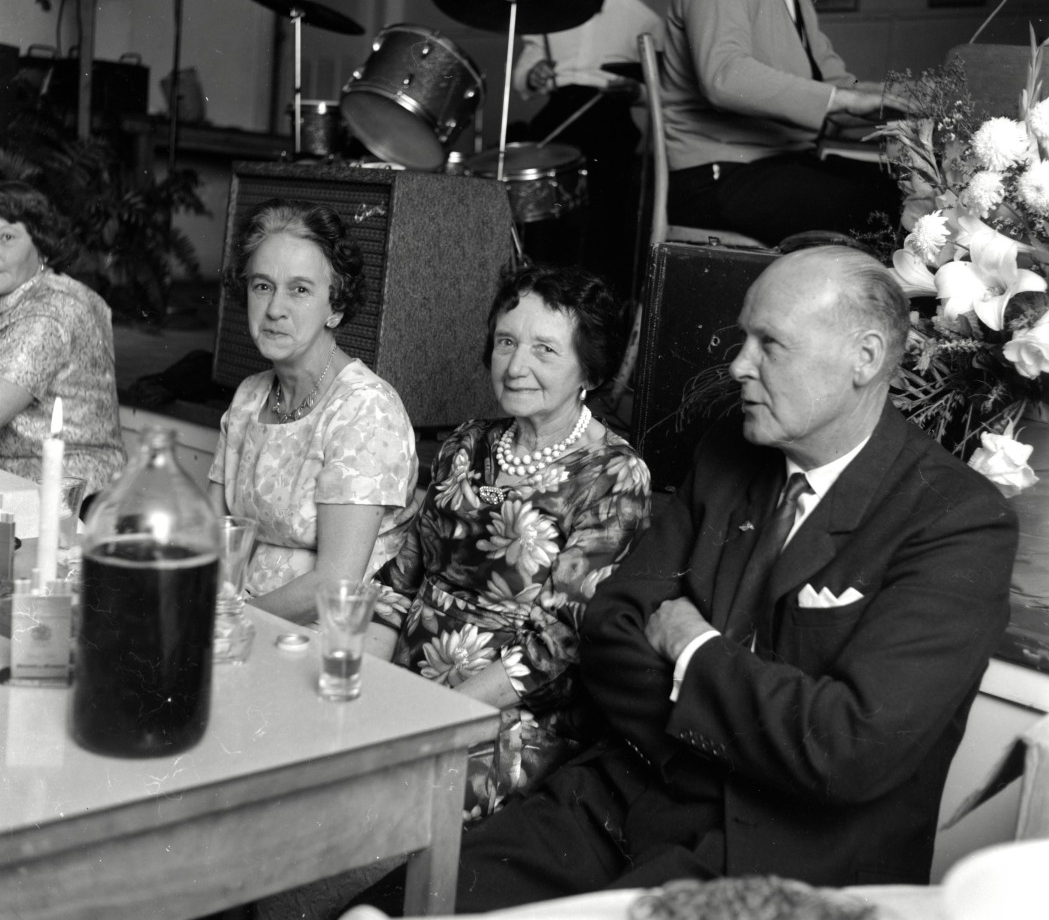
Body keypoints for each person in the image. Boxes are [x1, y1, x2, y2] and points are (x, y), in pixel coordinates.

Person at [351, 245, 1018, 915]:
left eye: (769, 344)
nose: (736, 365)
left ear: (865, 357)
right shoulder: (729, 452)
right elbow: (610, 631)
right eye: (741, 337)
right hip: (620, 793)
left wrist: (693, 648)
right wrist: (747, 704)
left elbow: (846, 745)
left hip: (775, 847)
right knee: (390, 909)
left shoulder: (955, 520)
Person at [370, 263, 651, 819]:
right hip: (405, 685)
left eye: (545, 350)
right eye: (505, 342)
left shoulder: (613, 476)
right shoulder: (467, 442)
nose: (516, 365)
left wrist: (429, 717)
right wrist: (369, 685)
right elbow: (402, 578)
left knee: (393, 805)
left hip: (508, 714)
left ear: (588, 369)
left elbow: (561, 645)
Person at [662, 0, 909, 244]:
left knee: (905, 194)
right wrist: (848, 98)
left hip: (773, 166)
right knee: (886, 211)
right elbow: (723, 76)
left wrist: (903, 101)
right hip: (717, 176)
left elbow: (834, 86)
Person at [207, 199, 418, 625]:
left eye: (300, 290)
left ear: (335, 308)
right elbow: (211, 535)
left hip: (329, 628)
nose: (274, 309)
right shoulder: (250, 396)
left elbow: (335, 582)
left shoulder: (365, 409)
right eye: (262, 286)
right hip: (237, 614)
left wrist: (230, 624)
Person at [511, 0, 663, 296]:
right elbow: (524, 72)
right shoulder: (550, 8)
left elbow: (658, 90)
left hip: (609, 116)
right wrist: (534, 75)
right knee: (547, 221)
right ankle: (541, 295)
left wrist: (635, 91)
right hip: (558, 112)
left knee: (604, 222)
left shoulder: (643, 18)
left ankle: (594, 306)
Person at [0, 181, 124, 499]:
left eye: (6, 237)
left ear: (41, 244)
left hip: (69, 496)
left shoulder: (48, 312)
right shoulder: (30, 293)